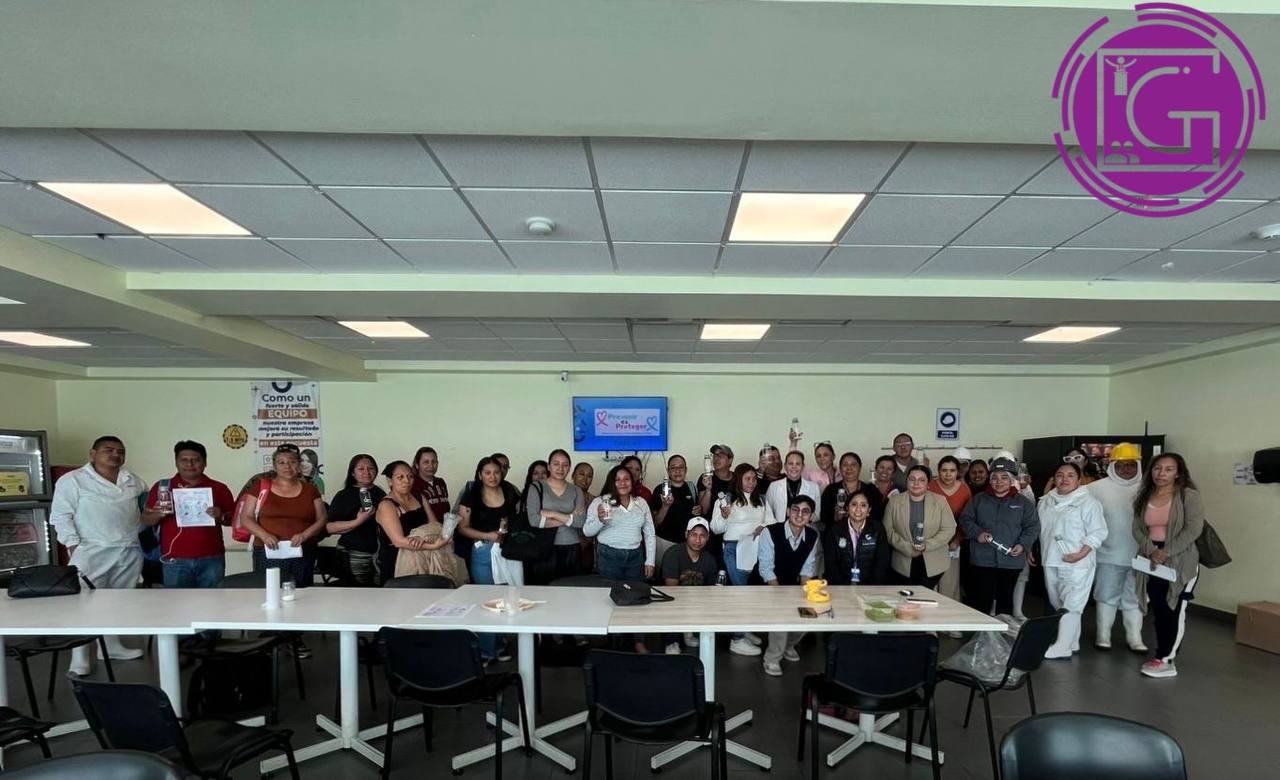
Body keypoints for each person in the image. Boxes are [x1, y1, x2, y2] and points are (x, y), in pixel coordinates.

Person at [50, 435, 149, 674]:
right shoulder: (73, 480)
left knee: (117, 602)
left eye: (120, 451)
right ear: (93, 454)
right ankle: (80, 657)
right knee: (83, 604)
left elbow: (141, 513)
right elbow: (60, 515)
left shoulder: (133, 480)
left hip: (128, 550)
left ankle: (111, 647)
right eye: (108, 450)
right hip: (90, 550)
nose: (115, 454)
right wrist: (72, 545)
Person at [1131, 453, 1203, 679]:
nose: (1161, 473)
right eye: (1157, 468)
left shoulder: (1188, 496)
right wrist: (1153, 551)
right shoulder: (1144, 495)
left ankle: (1166, 659)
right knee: (1160, 608)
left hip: (1180, 559)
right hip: (1151, 558)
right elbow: (1137, 529)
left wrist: (1166, 551)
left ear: (1178, 473)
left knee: (1174, 609)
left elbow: (1193, 529)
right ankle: (1161, 654)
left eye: (1168, 469)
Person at [142, 440, 236, 590]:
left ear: (205, 463)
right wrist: (159, 514)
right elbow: (146, 520)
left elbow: (233, 520)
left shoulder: (219, 488)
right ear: (176, 462)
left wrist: (221, 516)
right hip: (174, 559)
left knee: (213, 601)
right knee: (177, 602)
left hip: (211, 558)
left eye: (195, 460)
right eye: (184, 460)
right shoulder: (163, 487)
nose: (190, 464)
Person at [1037, 462, 1107, 659]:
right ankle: (1072, 640)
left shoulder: (1089, 503)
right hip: (1051, 558)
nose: (1064, 479)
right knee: (1058, 601)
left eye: (1070, 475)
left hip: (1078, 563)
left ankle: (1062, 646)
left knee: (1072, 603)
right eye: (1060, 475)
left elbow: (1098, 532)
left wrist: (1082, 553)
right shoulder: (1046, 501)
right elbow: (1041, 530)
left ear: (1078, 480)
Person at [584, 465, 656, 653]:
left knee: (638, 599)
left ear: (632, 482)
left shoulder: (641, 503)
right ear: (611, 482)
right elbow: (587, 531)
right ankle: (612, 643)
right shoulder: (601, 502)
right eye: (617, 479)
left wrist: (650, 560)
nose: (622, 483)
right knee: (610, 600)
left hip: (635, 557)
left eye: (626, 479)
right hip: (609, 556)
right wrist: (600, 519)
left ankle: (638, 641)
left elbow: (649, 532)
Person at [459, 456, 522, 664]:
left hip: (506, 551)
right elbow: (463, 528)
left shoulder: (509, 491)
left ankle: (499, 643)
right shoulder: (471, 495)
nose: (493, 476)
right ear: (480, 475)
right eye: (487, 473)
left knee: (505, 598)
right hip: (483, 551)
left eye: (496, 472)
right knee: (487, 600)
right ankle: (486, 650)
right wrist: (488, 535)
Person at [239, 445, 328, 588]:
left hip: (303, 551)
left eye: (292, 462)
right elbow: (246, 517)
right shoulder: (260, 486)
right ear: (274, 466)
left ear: (299, 465)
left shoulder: (311, 489)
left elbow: (322, 518)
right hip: (267, 550)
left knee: (303, 592)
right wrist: (264, 535)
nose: (287, 466)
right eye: (281, 462)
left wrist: (304, 535)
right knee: (269, 591)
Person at [960, 457, 1039, 617]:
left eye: (1004, 477)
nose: (999, 482)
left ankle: (1003, 631)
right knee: (981, 601)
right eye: (995, 477)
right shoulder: (978, 500)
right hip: (983, 559)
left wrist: (1023, 544)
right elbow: (965, 519)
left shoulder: (1023, 503)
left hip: (1011, 561)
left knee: (1005, 601)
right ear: (990, 480)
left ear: (1011, 480)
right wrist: (978, 533)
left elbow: (1033, 527)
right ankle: (981, 632)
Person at [1089, 442, 1147, 652]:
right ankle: (1103, 635)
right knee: (1106, 596)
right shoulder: (1095, 489)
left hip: (1141, 556)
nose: (1126, 469)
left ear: (1138, 465)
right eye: (1120, 465)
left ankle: (1135, 638)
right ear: (1112, 465)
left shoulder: (1148, 487)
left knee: (1135, 598)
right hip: (1107, 555)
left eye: (1131, 464)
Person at [710, 463, 769, 657]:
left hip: (757, 547)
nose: (751, 482)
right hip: (734, 549)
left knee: (750, 592)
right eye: (747, 479)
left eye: (754, 479)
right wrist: (724, 516)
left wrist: (763, 527)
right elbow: (715, 528)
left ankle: (744, 627)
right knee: (740, 593)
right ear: (738, 480)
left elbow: (773, 520)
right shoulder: (726, 500)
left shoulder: (761, 499)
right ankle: (737, 639)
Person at [758, 495, 821, 677]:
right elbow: (766, 568)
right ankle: (772, 658)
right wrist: (781, 598)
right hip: (766, 585)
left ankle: (788, 645)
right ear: (787, 511)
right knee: (782, 614)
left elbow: (807, 570)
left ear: (811, 516)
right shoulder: (770, 532)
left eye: (805, 511)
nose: (799, 515)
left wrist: (805, 598)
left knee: (811, 614)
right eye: (795, 509)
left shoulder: (812, 536)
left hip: (791, 586)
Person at [377, 460, 458, 585]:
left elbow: (434, 526)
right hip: (400, 562)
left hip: (426, 559)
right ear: (389, 481)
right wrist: (433, 546)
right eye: (400, 477)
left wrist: (428, 537)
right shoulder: (387, 505)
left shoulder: (419, 497)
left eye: (410, 476)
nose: (406, 481)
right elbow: (398, 541)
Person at [885, 465, 956, 589]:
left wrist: (927, 545)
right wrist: (907, 548)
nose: (916, 483)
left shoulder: (940, 501)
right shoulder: (894, 501)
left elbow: (949, 529)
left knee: (925, 595)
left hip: (933, 560)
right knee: (905, 594)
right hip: (903, 560)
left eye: (921, 480)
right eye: (912, 479)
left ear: (928, 483)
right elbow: (887, 530)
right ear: (906, 481)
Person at [660, 518, 721, 654]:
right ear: (686, 534)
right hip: (674, 599)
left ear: (707, 538)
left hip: (697, 599)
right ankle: (672, 640)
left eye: (702, 535)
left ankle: (689, 631)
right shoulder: (673, 554)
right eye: (694, 534)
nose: (698, 540)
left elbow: (712, 591)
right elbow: (671, 590)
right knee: (671, 603)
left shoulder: (709, 559)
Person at [526, 448, 586, 583]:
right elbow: (534, 520)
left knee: (571, 588)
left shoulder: (576, 490)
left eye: (565, 465)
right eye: (556, 464)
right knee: (545, 590)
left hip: (572, 546)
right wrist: (569, 517)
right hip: (545, 547)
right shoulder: (536, 487)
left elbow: (580, 522)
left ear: (569, 468)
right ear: (549, 467)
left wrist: (553, 514)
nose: (560, 468)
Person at [324, 454, 385, 586]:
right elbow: (329, 528)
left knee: (379, 591)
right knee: (359, 592)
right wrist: (358, 521)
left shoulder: (380, 493)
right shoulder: (344, 495)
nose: (366, 472)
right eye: (361, 469)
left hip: (379, 554)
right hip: (354, 553)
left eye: (371, 468)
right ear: (353, 473)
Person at [928, 455, 972, 605]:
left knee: (949, 581)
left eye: (952, 471)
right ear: (938, 471)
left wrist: (957, 539)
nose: (948, 474)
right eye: (944, 470)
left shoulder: (964, 489)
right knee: (930, 582)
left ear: (957, 472)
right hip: (931, 542)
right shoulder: (930, 486)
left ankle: (949, 615)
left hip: (953, 543)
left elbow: (968, 518)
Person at [823, 492, 892, 586]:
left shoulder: (878, 529)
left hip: (870, 586)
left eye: (863, 505)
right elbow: (831, 564)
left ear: (869, 510)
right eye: (854, 504)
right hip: (841, 586)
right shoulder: (835, 530)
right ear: (847, 508)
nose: (858, 509)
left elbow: (882, 562)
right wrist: (842, 588)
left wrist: (871, 587)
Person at [650, 454, 701, 563]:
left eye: (681, 467)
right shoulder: (660, 490)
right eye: (673, 468)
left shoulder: (691, 488)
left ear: (686, 470)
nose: (677, 471)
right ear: (668, 471)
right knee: (663, 571)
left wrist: (698, 510)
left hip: (687, 543)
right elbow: (655, 522)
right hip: (664, 542)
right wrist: (665, 507)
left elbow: (697, 512)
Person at [819, 451, 884, 529]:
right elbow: (823, 518)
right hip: (837, 533)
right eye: (845, 465)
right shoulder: (831, 490)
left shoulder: (871, 490)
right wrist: (835, 517)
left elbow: (878, 516)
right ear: (840, 469)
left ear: (859, 468)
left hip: (866, 533)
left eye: (853, 464)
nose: (849, 468)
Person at [765, 450, 821, 527]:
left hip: (805, 529)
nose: (794, 466)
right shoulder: (774, 486)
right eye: (790, 463)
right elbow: (768, 513)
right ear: (785, 466)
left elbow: (817, 515)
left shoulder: (813, 487)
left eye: (798, 464)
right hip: (779, 529)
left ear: (803, 467)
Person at [410, 446, 451, 528]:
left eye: (434, 462)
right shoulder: (412, 484)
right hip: (425, 531)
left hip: (445, 530)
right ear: (417, 465)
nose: (431, 466)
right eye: (426, 462)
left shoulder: (440, 482)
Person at [697, 444, 735, 518]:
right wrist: (708, 489)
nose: (716, 458)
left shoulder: (738, 478)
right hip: (711, 522)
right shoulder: (706, 477)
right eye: (714, 455)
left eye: (720, 456)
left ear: (730, 460)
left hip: (733, 521)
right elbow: (703, 511)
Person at [572, 462, 596, 572]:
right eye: (581, 474)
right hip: (566, 545)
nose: (585, 479)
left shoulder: (595, 501)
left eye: (589, 476)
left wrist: (586, 541)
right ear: (573, 475)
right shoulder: (562, 498)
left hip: (587, 549)